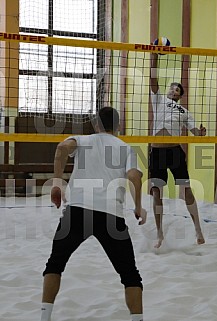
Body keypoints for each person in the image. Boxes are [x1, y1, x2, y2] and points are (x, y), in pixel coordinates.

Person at [40, 107, 146, 321]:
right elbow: (134, 177)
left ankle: (44, 317)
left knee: (54, 264)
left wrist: (58, 183)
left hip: (77, 212)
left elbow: (61, 148)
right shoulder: (126, 149)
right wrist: (138, 206)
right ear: (118, 126)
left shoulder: (81, 139)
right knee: (130, 275)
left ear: (96, 124)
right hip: (110, 216)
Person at [149, 52, 206, 248]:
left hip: (174, 152)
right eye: (172, 88)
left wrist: (200, 133)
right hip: (156, 152)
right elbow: (152, 78)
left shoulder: (184, 111)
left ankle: (198, 229)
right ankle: (159, 234)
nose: (174, 91)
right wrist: (154, 57)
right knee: (157, 192)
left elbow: (195, 133)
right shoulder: (158, 100)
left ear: (180, 95)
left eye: (177, 90)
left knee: (186, 189)